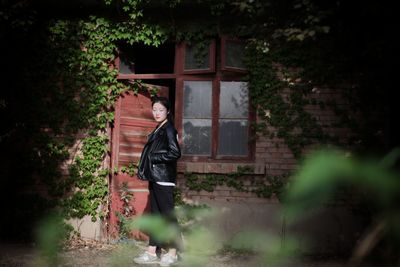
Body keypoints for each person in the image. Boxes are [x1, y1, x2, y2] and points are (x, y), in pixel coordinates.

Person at [134, 96, 182, 266]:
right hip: (155, 177)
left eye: (161, 110)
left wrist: (154, 157)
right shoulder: (158, 128)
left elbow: (175, 153)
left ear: (167, 111)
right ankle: (152, 251)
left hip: (163, 179)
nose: (157, 113)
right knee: (156, 216)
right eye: (154, 109)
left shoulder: (169, 129)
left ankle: (174, 252)